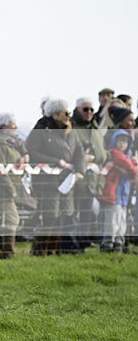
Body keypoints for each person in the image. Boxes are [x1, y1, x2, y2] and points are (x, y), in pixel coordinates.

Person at [25, 98, 85, 256]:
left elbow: (80, 152)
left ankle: (54, 250)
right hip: (48, 183)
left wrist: (80, 170)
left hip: (67, 182)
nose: (68, 116)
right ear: (55, 114)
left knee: (63, 215)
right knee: (49, 217)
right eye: (65, 113)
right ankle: (40, 251)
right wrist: (56, 162)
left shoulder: (70, 131)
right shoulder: (40, 130)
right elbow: (32, 152)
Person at [0, 112, 29, 259]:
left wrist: (24, 155)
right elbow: (0, 170)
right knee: (10, 219)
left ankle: (2, 250)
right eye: (12, 125)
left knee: (5, 220)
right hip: (3, 189)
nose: (15, 128)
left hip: (13, 186)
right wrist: (11, 189)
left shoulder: (14, 143)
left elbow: (22, 152)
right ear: (3, 126)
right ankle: (6, 252)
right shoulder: (0, 144)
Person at [70, 97, 108, 249]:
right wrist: (80, 158)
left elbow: (102, 151)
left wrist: (101, 156)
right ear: (78, 110)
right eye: (85, 109)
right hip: (76, 178)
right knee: (74, 212)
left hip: (92, 179)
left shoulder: (95, 128)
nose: (89, 112)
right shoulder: (72, 127)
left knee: (87, 211)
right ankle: (72, 243)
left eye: (92, 109)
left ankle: (83, 241)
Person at [99, 130, 137, 252]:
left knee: (121, 219)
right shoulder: (114, 152)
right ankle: (108, 243)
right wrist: (134, 168)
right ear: (114, 141)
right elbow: (128, 165)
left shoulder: (127, 156)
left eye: (125, 141)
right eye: (120, 140)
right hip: (113, 194)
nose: (122, 144)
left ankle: (118, 242)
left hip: (123, 195)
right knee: (112, 220)